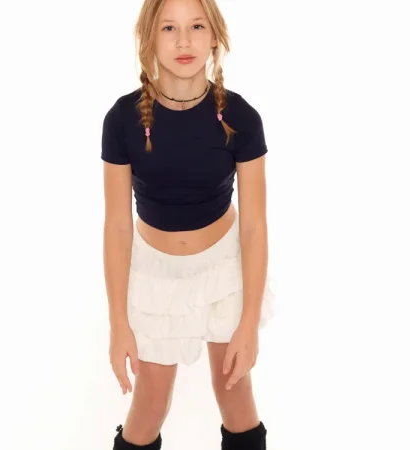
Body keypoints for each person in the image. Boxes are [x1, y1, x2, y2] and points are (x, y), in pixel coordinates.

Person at [101, 0, 275, 448]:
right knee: (149, 405)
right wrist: (118, 323)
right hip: (156, 276)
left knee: (234, 395)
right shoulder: (122, 120)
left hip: (224, 271)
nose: (183, 41)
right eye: (168, 28)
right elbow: (117, 226)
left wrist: (248, 322)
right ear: (148, 38)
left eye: (196, 26)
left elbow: (254, 227)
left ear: (214, 35)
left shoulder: (241, 118)